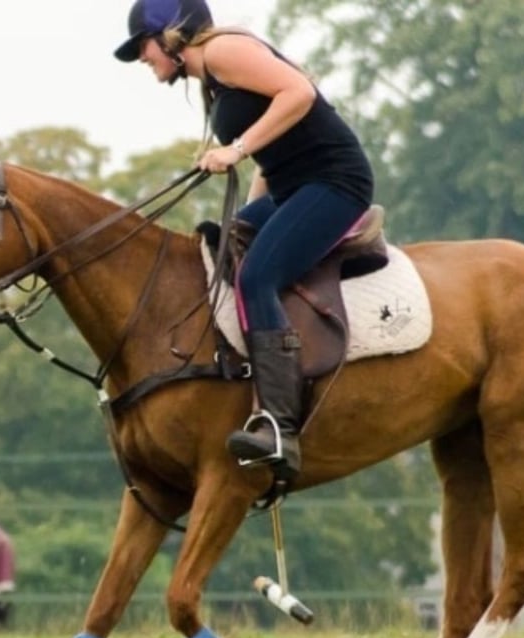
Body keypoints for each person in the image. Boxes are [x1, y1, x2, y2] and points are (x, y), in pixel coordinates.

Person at [114, 0, 375, 480]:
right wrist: (246, 216)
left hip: (335, 184)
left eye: (143, 47)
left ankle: (279, 424)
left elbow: (298, 92)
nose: (142, 58)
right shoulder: (211, 79)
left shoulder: (223, 51)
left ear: (171, 35)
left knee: (257, 276)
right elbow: (271, 160)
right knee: (227, 243)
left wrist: (233, 148)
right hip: (295, 187)